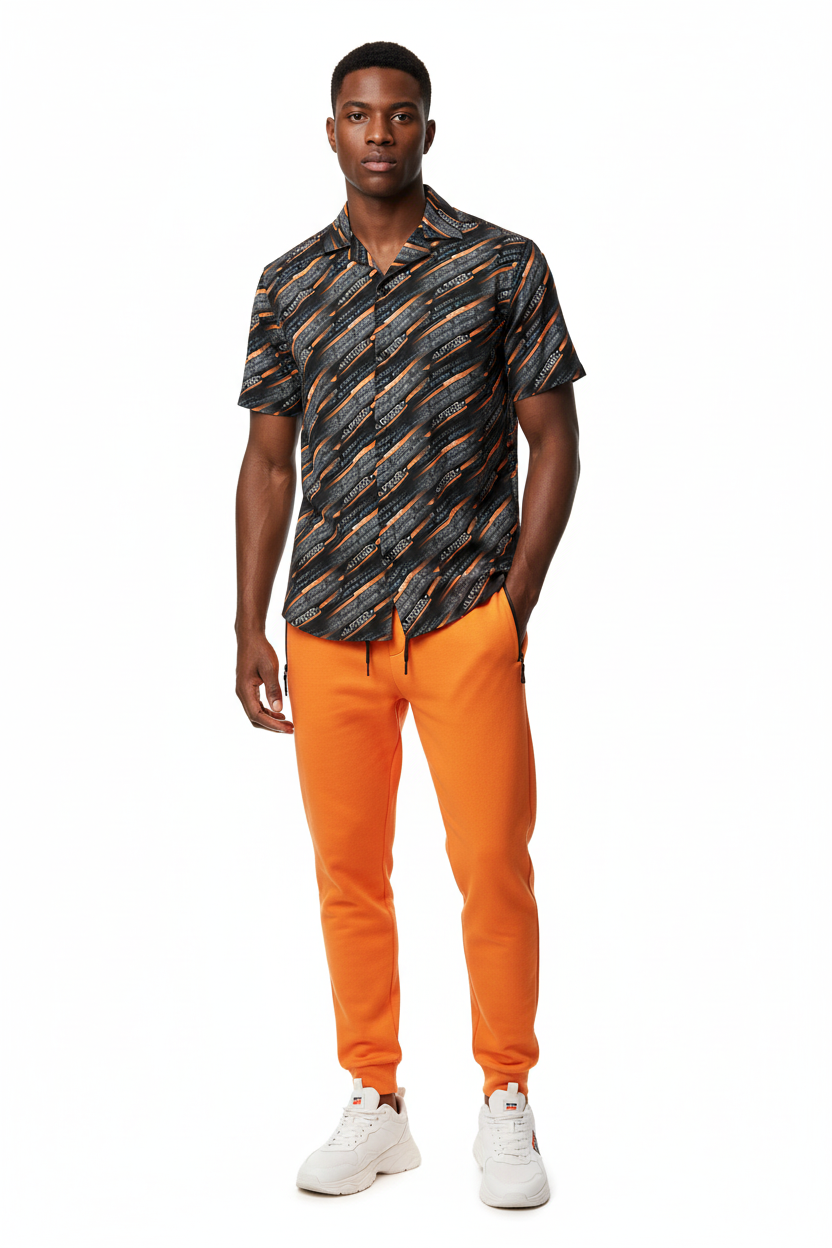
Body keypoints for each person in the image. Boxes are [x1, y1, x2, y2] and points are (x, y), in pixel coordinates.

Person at [234, 40, 584, 1208]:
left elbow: (555, 441)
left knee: (491, 865)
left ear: (427, 131)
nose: (377, 133)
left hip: (459, 616)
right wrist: (246, 623)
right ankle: (375, 1102)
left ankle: (506, 1096)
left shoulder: (501, 265)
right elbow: (268, 462)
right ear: (330, 131)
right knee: (348, 874)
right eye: (357, 114)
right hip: (328, 619)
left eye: (398, 115)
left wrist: (512, 605)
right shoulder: (288, 284)